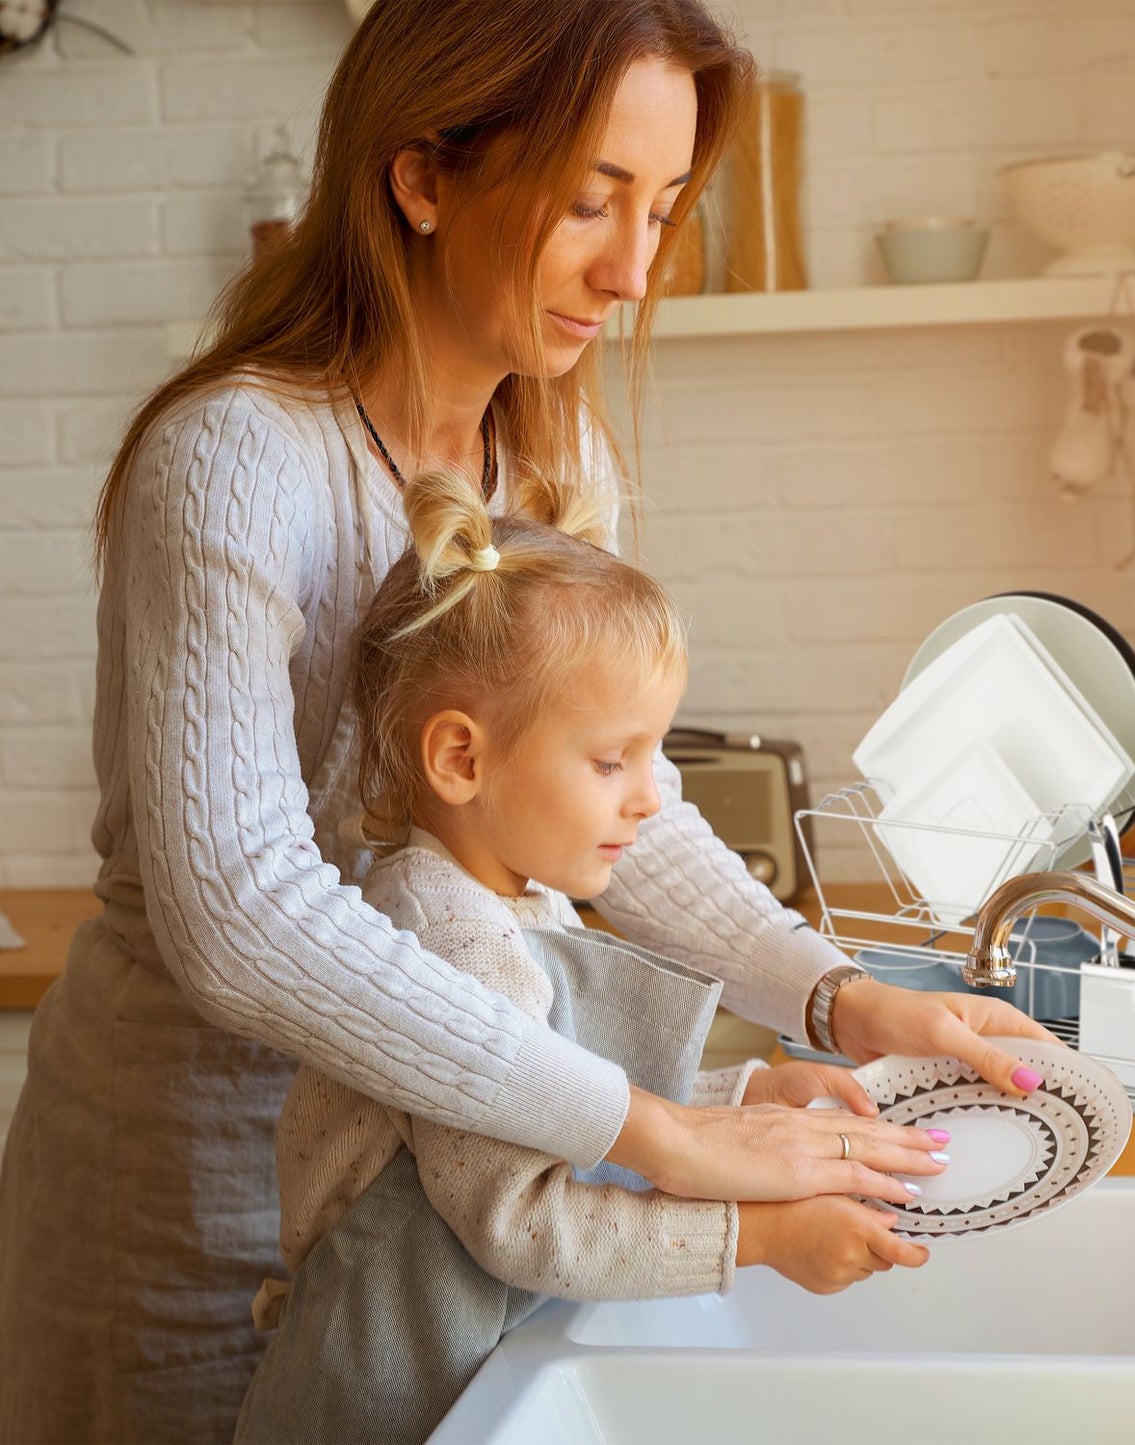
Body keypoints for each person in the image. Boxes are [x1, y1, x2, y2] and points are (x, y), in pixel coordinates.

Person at [0, 3, 1050, 1440]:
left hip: (428, 1191)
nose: (630, 269)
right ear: (421, 176)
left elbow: (626, 807)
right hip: (182, 1196)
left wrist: (836, 996)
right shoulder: (237, 460)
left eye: (664, 207)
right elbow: (243, 912)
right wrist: (657, 1131)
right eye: (588, 202)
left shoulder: (554, 467)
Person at [234, 471, 939, 1443]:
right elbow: (528, 1218)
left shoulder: (520, 892)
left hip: (474, 1375)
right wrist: (764, 1237)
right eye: (613, 760)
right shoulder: (453, 937)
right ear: (461, 760)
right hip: (384, 1401)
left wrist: (745, 1091)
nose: (650, 798)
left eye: (652, 756)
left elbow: (567, 1101)